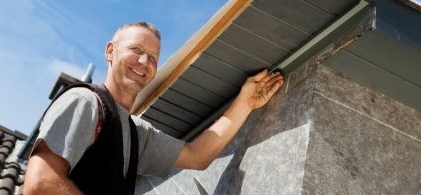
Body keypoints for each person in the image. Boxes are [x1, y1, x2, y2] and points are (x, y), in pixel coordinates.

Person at [23, 22, 284, 195]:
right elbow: (41, 184)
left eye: (152, 58)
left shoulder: (137, 134)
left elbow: (197, 156)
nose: (143, 62)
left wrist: (246, 102)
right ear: (110, 51)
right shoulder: (85, 102)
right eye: (136, 49)